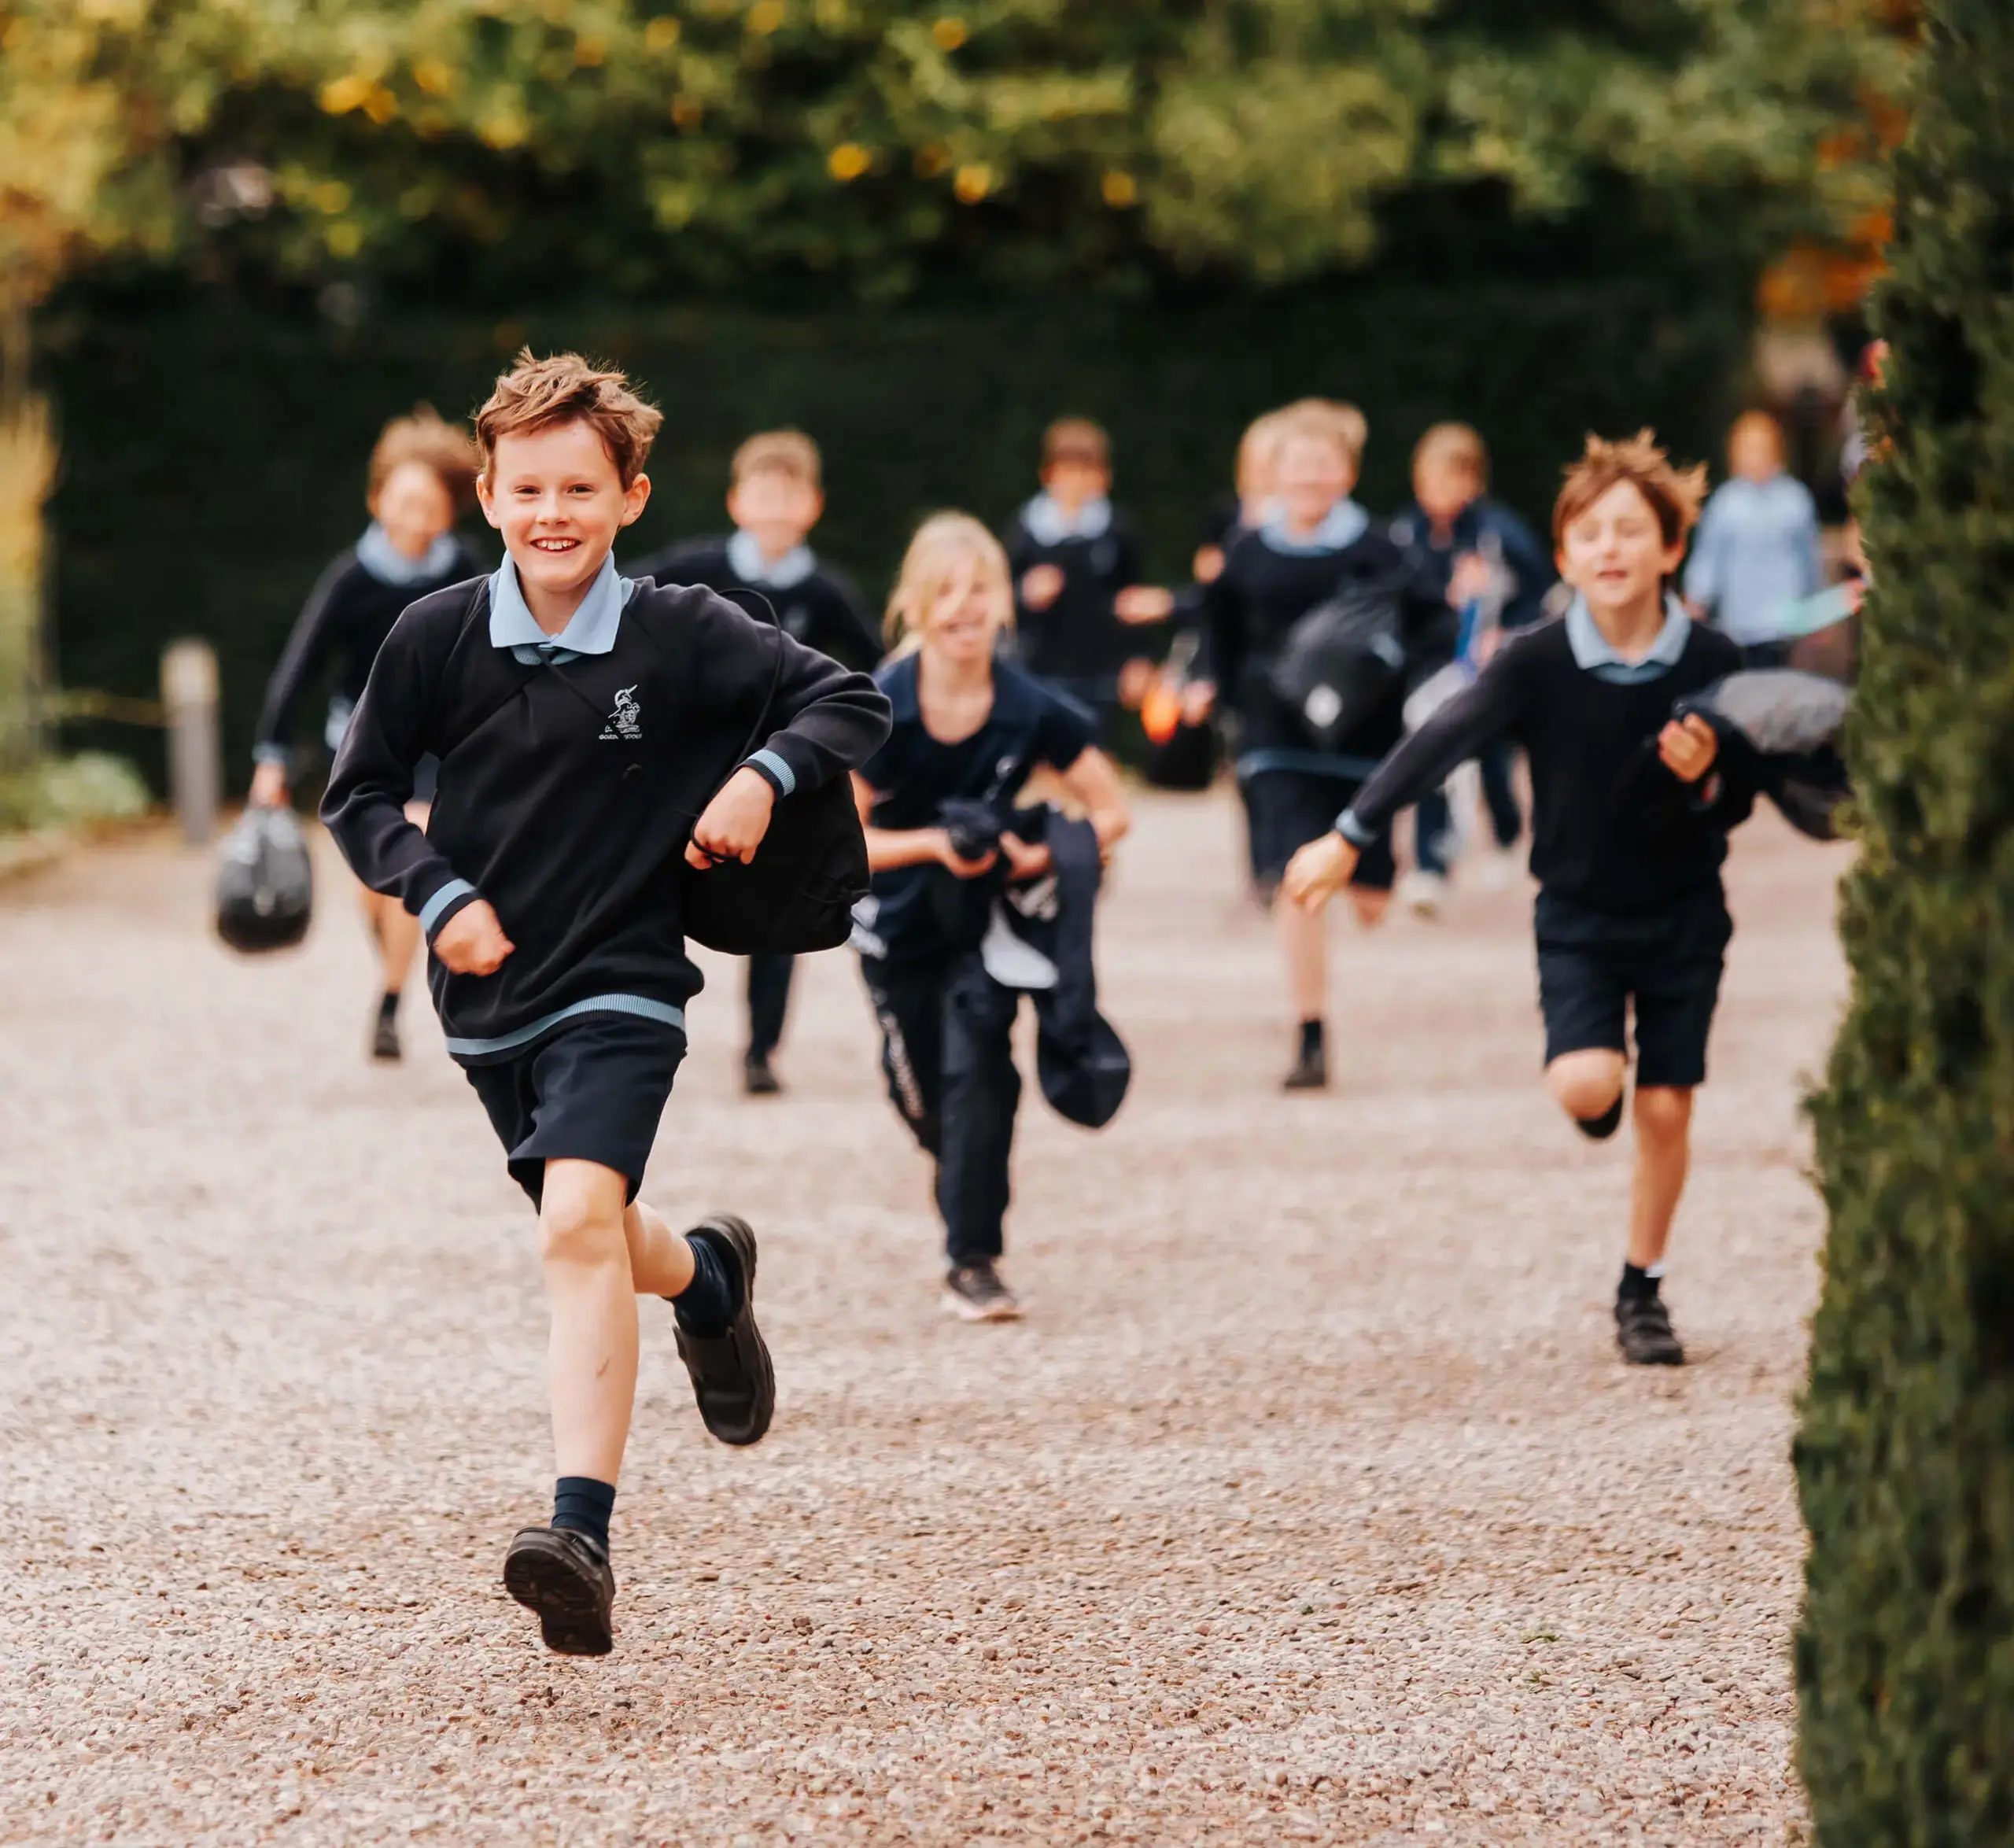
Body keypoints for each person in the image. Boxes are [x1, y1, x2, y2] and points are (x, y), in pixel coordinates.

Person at [321, 352, 891, 1654]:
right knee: (600, 1231)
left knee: (574, 1219)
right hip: (485, 997)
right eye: (528, 486)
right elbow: (354, 798)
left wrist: (763, 775)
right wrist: (436, 888)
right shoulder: (435, 637)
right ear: (489, 490)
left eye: (581, 485)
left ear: (631, 495)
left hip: (625, 980)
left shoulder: (682, 628)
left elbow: (846, 696)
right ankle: (704, 1279)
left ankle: (580, 1534)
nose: (553, 510)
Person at [1284, 432, 1754, 1367]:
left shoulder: (1710, 656)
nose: (1610, 548)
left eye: (1631, 531)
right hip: (1576, 916)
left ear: (1669, 549)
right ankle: (1595, 1097)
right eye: (1590, 533)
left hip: (1685, 914)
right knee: (1588, 1085)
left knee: (1666, 1110)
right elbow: (1440, 738)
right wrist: (1349, 835)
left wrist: (1710, 781)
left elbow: (1748, 793)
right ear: (1566, 553)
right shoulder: (1535, 660)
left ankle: (1641, 1286)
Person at [851, 512, 1130, 1322]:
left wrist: (1044, 854)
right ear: (915, 605)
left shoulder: (1030, 706)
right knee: (927, 1099)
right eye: (945, 592)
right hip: (895, 927)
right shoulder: (880, 707)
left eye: (979, 591)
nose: (964, 607)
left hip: (986, 924)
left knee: (982, 1070)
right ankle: (955, 1158)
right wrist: (936, 843)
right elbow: (842, 840)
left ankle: (973, 1259)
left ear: (1005, 605)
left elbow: (1111, 810)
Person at [1193, 398, 1452, 1091]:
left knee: (1367, 901)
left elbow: (1434, 623)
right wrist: (1208, 688)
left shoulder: (1380, 548)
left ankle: (1374, 873)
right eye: (1295, 464)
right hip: (1274, 740)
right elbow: (1216, 635)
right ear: (1274, 474)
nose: (1308, 476)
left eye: (1322, 463)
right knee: (1295, 886)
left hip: (1362, 743)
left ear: (1347, 472)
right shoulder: (1247, 553)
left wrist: (1425, 681)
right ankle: (1310, 1033)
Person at [629, 430, 882, 1097]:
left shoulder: (824, 590)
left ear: (814, 506)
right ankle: (642, 1029)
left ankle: (761, 1050)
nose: (775, 509)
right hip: (692, 761)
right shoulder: (694, 566)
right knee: (658, 890)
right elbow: (620, 604)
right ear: (737, 502)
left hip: (783, 774)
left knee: (776, 906)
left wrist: (851, 763)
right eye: (763, 495)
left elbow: (870, 671)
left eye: (789, 496)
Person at [249, 408, 485, 1060]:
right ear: (378, 500)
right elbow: (299, 668)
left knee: (414, 852)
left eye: (429, 506)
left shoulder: (463, 567)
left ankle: (388, 1003)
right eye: (404, 502)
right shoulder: (350, 577)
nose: (415, 518)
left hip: (436, 744)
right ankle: (396, 961)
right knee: (375, 883)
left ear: (449, 512)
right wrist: (271, 756)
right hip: (360, 740)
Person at [1387, 422, 1557, 908]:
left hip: (1489, 667)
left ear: (1472, 481)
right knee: (1428, 748)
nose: (1436, 494)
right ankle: (1431, 864)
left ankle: (1506, 833)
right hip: (1432, 667)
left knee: (1491, 757)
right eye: (1428, 481)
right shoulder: (1406, 533)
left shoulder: (1499, 533)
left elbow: (1539, 595)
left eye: (1448, 481)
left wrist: (1507, 632)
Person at [1003, 417, 1172, 737]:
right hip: (1040, 670)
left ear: (1104, 477)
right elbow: (1001, 600)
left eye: (1086, 472)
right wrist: (1025, 593)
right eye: (1068, 472)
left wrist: (1139, 658)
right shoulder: (1025, 531)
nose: (1077, 483)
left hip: (1101, 673)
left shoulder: (1118, 531)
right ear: (1048, 475)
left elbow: (1135, 600)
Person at [1682, 410, 1823, 667]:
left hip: (1782, 623)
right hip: (1740, 621)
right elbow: (1709, 556)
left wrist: (1814, 613)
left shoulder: (1795, 500)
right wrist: (1697, 598)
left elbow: (1809, 560)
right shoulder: (1726, 503)